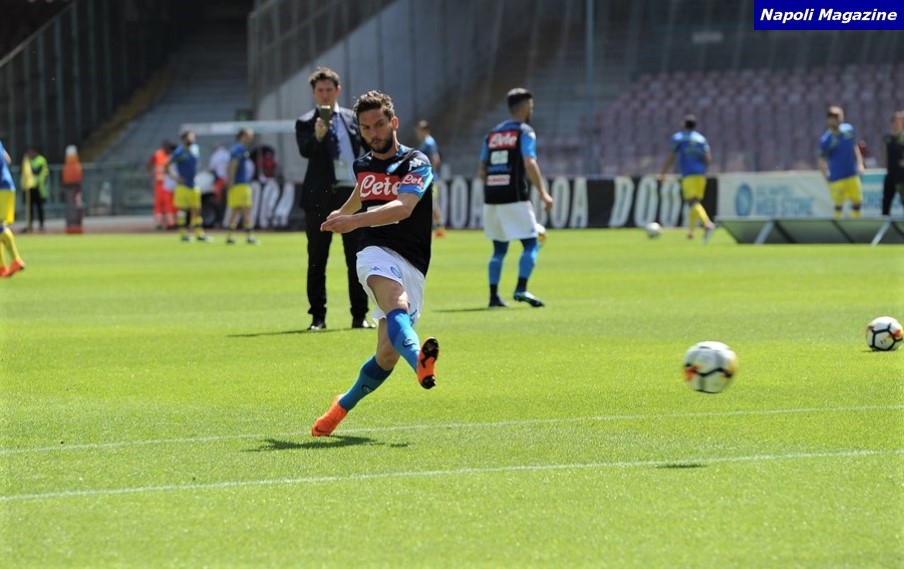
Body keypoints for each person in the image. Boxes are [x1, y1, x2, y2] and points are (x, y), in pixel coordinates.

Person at [311, 90, 439, 437]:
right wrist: (342, 213)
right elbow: (362, 194)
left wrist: (351, 219)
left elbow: (404, 207)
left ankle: (340, 407)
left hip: (413, 261)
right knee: (396, 303)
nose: (374, 133)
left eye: (379, 124)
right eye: (366, 128)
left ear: (393, 122)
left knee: (385, 356)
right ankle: (421, 361)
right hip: (374, 251)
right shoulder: (363, 164)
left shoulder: (416, 162)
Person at [295, 67, 372, 330]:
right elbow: (305, 151)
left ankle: (360, 315)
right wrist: (318, 135)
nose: (325, 95)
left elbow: (369, 149)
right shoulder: (306, 122)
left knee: (356, 258)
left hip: (351, 195)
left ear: (338, 90)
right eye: (320, 90)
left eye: (329, 89)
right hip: (319, 197)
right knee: (317, 259)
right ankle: (318, 317)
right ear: (313, 93)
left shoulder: (353, 119)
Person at [477, 87, 554, 309]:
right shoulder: (525, 132)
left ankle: (493, 297)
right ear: (525, 107)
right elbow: (529, 162)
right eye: (531, 106)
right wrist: (544, 193)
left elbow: (481, 171)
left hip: (492, 196)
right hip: (515, 195)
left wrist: (495, 183)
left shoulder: (492, 134)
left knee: (499, 249)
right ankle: (521, 288)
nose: (532, 110)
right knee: (532, 243)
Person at [658, 114, 715, 241]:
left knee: (692, 202)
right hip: (701, 174)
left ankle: (707, 223)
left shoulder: (679, 138)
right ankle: (691, 231)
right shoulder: (701, 139)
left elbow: (671, 156)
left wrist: (664, 173)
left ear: (684, 125)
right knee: (695, 203)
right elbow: (708, 158)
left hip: (688, 174)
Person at [818, 106, 865, 219]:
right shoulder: (826, 140)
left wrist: (860, 164)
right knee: (838, 205)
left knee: (857, 201)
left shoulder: (849, 130)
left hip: (852, 174)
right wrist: (826, 176)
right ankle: (837, 226)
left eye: (838, 117)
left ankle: (856, 224)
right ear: (828, 120)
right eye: (833, 118)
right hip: (837, 177)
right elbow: (821, 160)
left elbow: (854, 147)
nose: (837, 120)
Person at [167, 130, 213, 242]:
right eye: (190, 137)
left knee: (196, 209)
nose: (192, 139)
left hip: (193, 185)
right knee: (183, 210)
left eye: (193, 137)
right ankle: (183, 234)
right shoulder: (179, 152)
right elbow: (167, 165)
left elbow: (196, 164)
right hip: (183, 186)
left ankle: (199, 233)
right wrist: (175, 177)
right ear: (184, 139)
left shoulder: (195, 149)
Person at [225, 128, 258, 244]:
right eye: (250, 135)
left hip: (239, 184)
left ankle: (230, 235)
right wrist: (232, 181)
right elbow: (233, 165)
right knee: (247, 209)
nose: (251, 138)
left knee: (236, 209)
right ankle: (250, 236)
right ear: (243, 135)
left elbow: (230, 165)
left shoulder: (236, 148)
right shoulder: (239, 148)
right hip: (241, 184)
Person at [415, 120, 446, 237]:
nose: (418, 133)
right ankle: (435, 227)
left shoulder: (429, 142)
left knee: (432, 203)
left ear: (425, 130)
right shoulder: (425, 143)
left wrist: (430, 174)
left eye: (420, 130)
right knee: (429, 203)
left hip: (428, 178)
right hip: (424, 178)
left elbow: (435, 158)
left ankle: (440, 227)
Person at [0, 138, 26, 278]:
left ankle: (16, 260)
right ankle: (2, 267)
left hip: (1, 188)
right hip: (7, 186)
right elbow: (8, 160)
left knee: (0, 227)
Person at [147, 140, 177, 229]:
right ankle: (159, 223)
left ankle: (171, 223)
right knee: (159, 204)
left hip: (169, 184)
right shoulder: (158, 154)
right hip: (160, 183)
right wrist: (151, 172)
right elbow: (149, 163)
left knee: (170, 204)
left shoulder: (173, 156)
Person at [882, 110, 904, 217]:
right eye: (895, 121)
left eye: (900, 121)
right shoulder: (888, 138)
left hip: (902, 176)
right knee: (886, 202)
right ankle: (885, 224)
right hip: (890, 174)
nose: (897, 123)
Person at [21, 146, 48, 232]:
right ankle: (30, 225)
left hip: (38, 187)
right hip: (30, 188)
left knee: (40, 207)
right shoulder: (28, 161)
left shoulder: (41, 160)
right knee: (30, 208)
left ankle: (41, 225)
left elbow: (38, 171)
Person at [61, 145, 84, 234]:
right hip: (73, 188)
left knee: (73, 206)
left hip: (73, 188)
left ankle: (73, 224)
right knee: (74, 206)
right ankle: (74, 224)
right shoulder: (75, 166)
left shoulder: (69, 166)